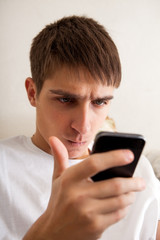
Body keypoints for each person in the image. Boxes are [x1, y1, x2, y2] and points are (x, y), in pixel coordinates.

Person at [0, 15, 160, 240]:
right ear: (32, 93)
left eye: (100, 102)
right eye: (66, 100)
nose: (83, 126)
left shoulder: (135, 168)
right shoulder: (4, 166)